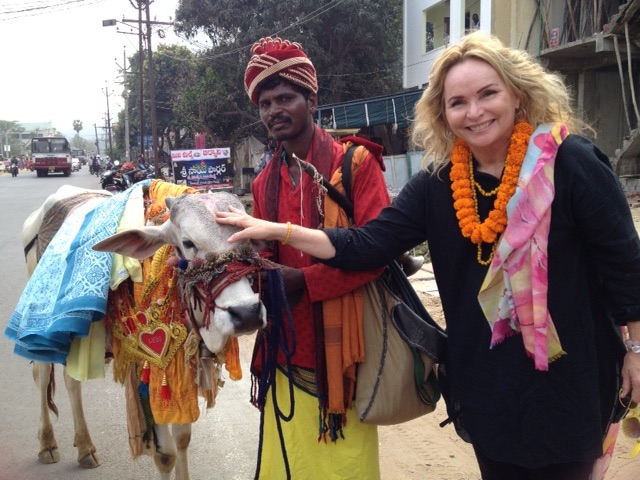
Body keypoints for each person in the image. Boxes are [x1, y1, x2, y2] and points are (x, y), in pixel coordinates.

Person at [219, 32, 640, 479]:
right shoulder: (438, 183)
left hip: (570, 377)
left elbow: (625, 267)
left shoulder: (571, 163)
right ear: (443, 113)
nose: (474, 112)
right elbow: (368, 244)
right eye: (458, 102)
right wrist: (278, 231)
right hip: (485, 378)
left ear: (517, 94)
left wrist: (635, 349)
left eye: (488, 94)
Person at [241, 37, 392, 478]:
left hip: (345, 354)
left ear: (311, 100)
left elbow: (377, 255)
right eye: (265, 103)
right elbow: (263, 257)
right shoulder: (264, 182)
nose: (274, 110)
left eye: (285, 98)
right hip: (285, 348)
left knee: (344, 465)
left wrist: (304, 281)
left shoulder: (356, 164)